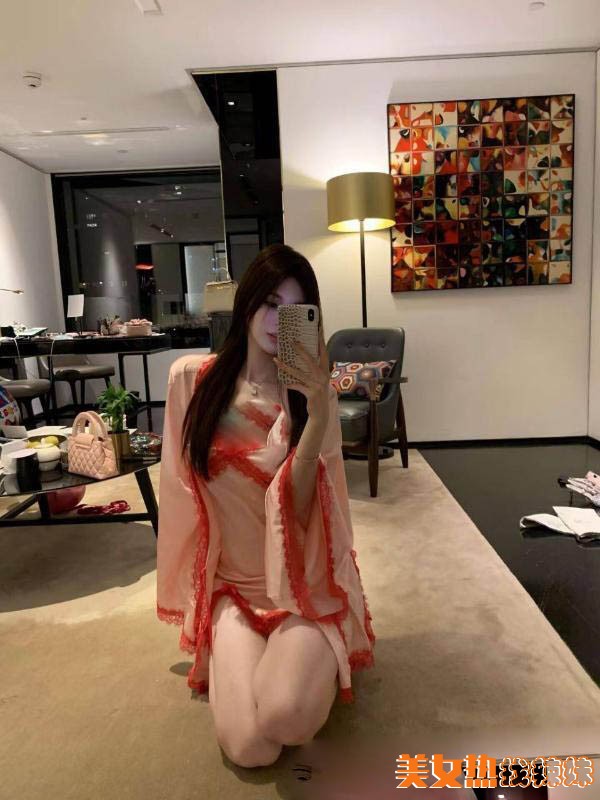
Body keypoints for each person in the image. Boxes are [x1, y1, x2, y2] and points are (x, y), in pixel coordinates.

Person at [156, 243, 375, 768]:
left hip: (302, 586)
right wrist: (193, 593)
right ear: (248, 301)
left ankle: (311, 659)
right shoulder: (192, 381)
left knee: (287, 718)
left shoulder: (313, 398)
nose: (279, 321)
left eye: (296, 311)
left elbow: (304, 510)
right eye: (271, 304)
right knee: (250, 749)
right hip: (233, 588)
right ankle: (255, 655)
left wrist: (317, 417)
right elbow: (180, 491)